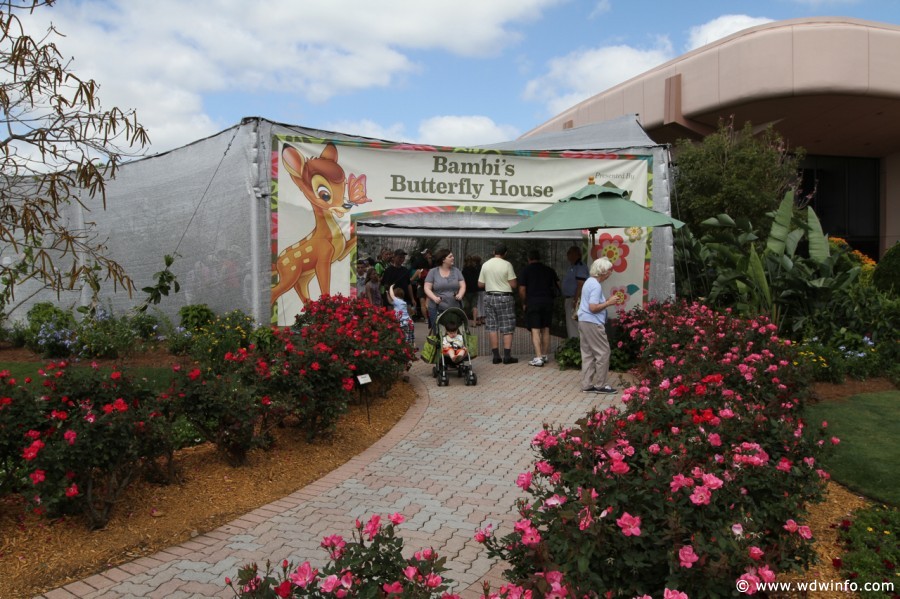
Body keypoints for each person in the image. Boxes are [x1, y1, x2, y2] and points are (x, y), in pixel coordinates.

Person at [577, 257, 624, 394]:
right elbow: (593, 307)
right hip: (592, 322)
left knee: (587, 353)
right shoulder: (596, 285)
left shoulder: (589, 282)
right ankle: (601, 385)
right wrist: (609, 302)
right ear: (602, 271)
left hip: (584, 320)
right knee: (603, 352)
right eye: (609, 270)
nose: (610, 273)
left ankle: (586, 384)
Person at [518, 249, 560, 367]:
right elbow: (558, 284)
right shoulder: (549, 270)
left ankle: (538, 357)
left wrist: (524, 302)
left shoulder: (526, 271)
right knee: (546, 329)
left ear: (529, 259)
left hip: (533, 302)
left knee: (535, 330)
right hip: (548, 302)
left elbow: (522, 289)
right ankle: (545, 355)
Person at [478, 243, 518, 364]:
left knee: (492, 326)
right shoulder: (507, 265)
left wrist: (491, 282)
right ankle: (507, 356)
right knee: (507, 326)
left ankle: (496, 356)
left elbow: (480, 284)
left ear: (494, 251)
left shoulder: (485, 264)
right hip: (504, 297)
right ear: (505, 253)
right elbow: (513, 284)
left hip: (489, 297)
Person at [423, 248, 465, 326]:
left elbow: (462, 285)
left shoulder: (457, 271)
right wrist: (434, 298)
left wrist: (460, 294)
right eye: (450, 256)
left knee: (454, 332)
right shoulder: (433, 272)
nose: (453, 258)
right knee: (438, 331)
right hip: (436, 308)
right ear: (443, 259)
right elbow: (427, 288)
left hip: (454, 308)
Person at [561, 245, 590, 338]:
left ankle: (575, 343)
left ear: (576, 254)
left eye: (569, 253)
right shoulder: (572, 266)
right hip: (570, 298)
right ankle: (573, 341)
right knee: (571, 323)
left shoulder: (580, 267)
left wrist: (575, 300)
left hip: (575, 299)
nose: (567, 255)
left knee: (574, 323)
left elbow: (581, 284)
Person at [462, 254, 484, 325]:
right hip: (475, 290)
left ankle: (465, 322)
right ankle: (474, 321)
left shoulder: (464, 270)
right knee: (475, 306)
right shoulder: (475, 269)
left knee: (466, 306)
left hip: (467, 290)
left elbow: (462, 281)